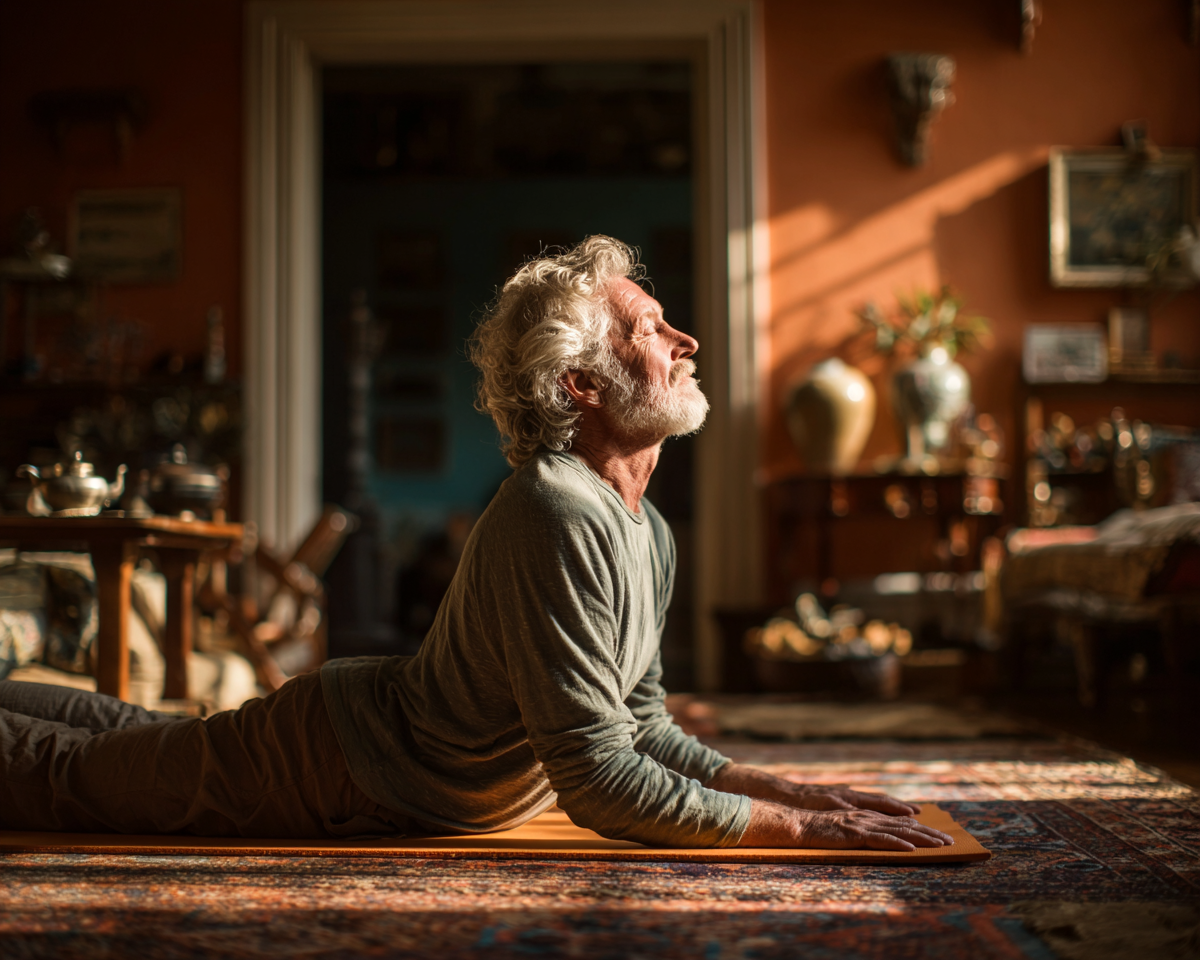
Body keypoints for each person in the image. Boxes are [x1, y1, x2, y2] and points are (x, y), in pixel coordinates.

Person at [0, 236, 950, 852]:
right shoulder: (554, 510)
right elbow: (598, 777)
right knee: (71, 780)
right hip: (340, 763)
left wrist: (799, 794)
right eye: (651, 329)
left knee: (130, 739)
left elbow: (642, 727)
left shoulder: (646, 528)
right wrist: (797, 832)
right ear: (582, 384)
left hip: (368, 748)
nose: (686, 341)